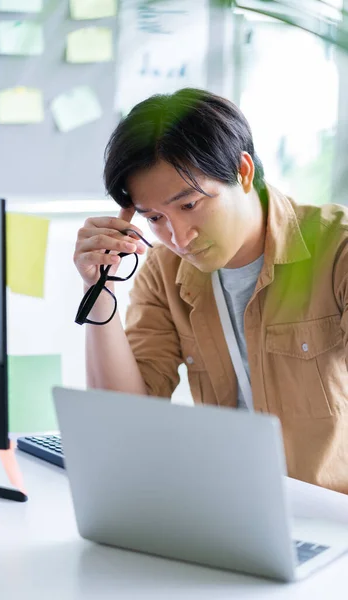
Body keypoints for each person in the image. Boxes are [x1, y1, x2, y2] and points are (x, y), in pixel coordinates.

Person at [73, 88, 348, 494]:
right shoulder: (163, 270)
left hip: (331, 522)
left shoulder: (337, 251)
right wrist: (99, 289)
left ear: (243, 171)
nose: (179, 237)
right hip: (225, 505)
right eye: (153, 218)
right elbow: (126, 418)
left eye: (188, 205)